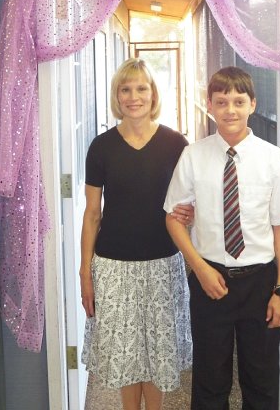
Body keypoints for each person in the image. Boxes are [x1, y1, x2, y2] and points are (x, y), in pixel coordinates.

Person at [164, 66, 280, 410]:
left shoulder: (273, 159)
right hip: (210, 278)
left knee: (261, 380)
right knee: (209, 381)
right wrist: (200, 269)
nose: (230, 110)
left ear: (252, 105)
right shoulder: (193, 156)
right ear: (210, 105)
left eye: (238, 101)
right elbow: (173, 219)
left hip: (260, 282)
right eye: (222, 101)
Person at [80, 58, 193, 410]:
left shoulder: (176, 144)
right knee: (126, 357)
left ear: (153, 94)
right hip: (113, 267)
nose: (134, 97)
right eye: (125, 90)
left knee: (157, 355)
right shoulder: (101, 146)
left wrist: (190, 213)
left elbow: (190, 202)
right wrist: (85, 272)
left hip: (163, 265)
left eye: (141, 88)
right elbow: (92, 213)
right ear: (117, 96)